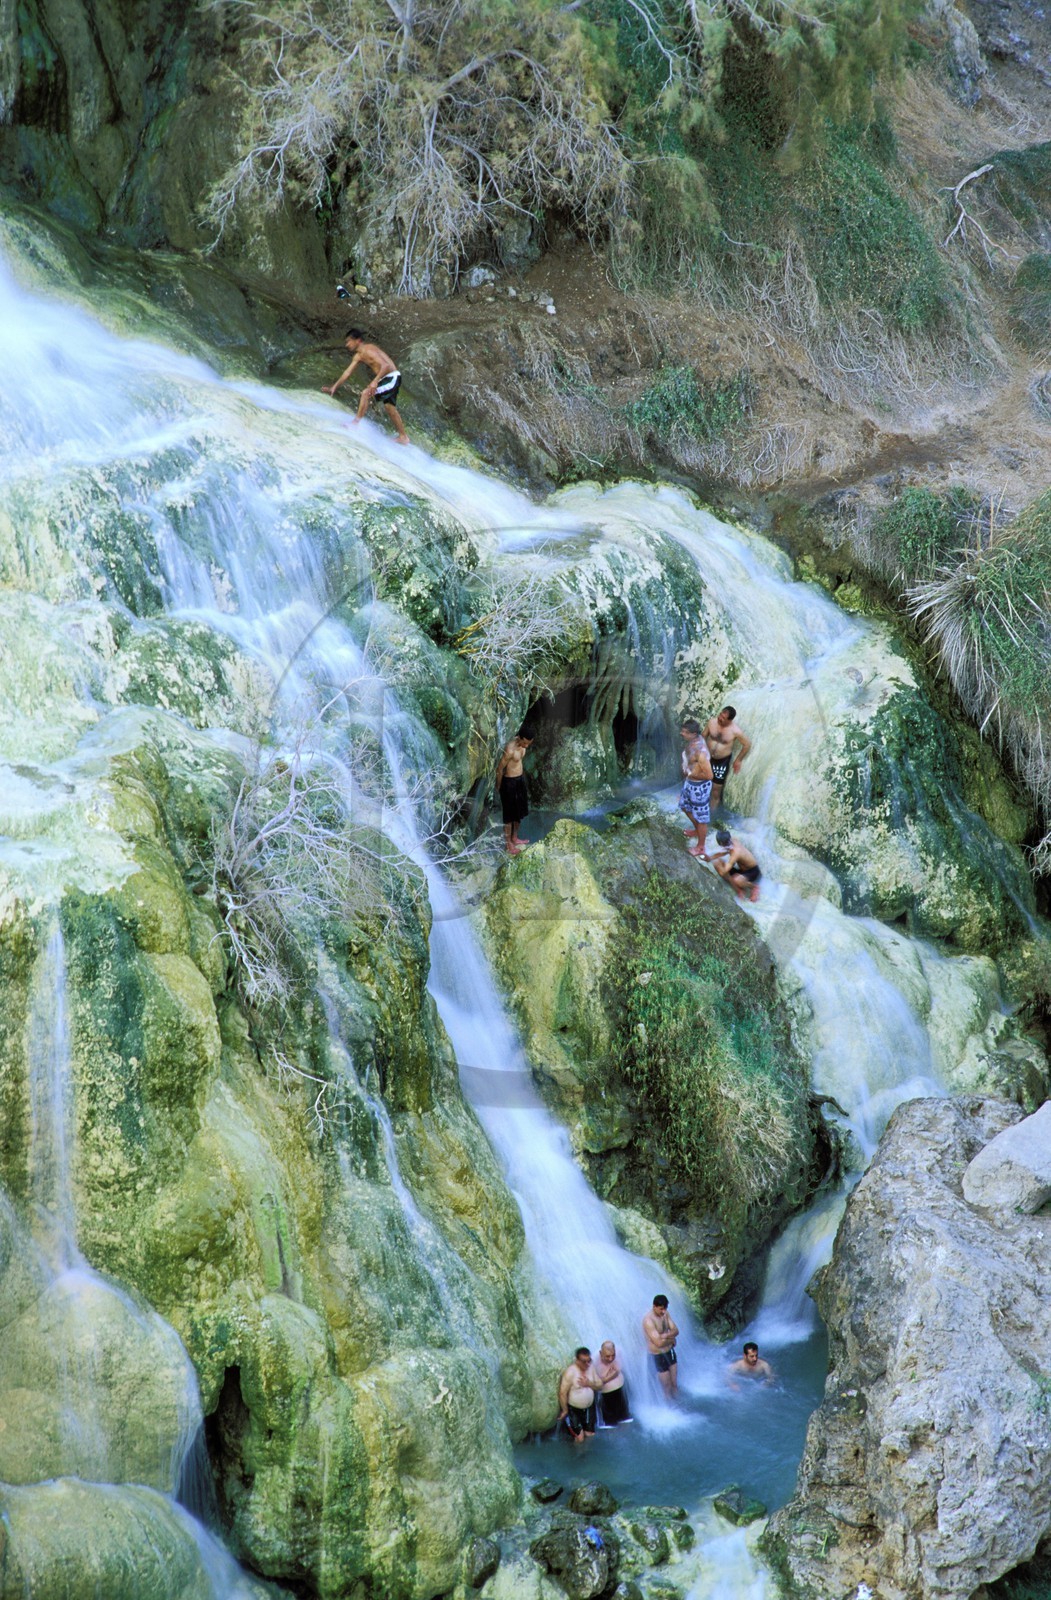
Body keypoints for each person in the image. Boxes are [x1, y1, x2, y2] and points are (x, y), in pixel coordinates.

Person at [322, 329, 409, 443]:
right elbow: (347, 373)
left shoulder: (368, 350)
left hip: (391, 376)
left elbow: (386, 365)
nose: (347, 344)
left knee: (365, 394)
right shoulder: (358, 356)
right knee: (389, 408)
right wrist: (334, 387)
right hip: (387, 378)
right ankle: (403, 437)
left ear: (358, 340)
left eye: (349, 341)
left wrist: (375, 381)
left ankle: (355, 424)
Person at [703, 707, 751, 812]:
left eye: (723, 718)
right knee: (701, 784)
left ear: (730, 720)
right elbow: (703, 736)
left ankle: (711, 816)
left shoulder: (735, 731)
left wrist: (738, 760)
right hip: (707, 757)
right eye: (720, 715)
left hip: (721, 762)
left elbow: (747, 745)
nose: (720, 718)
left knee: (716, 791)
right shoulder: (712, 722)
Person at [494, 727, 534, 854]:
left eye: (529, 743)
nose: (526, 746)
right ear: (519, 738)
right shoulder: (510, 749)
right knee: (509, 817)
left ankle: (515, 838)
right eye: (525, 743)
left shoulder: (523, 746)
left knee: (519, 813)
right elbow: (499, 769)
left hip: (519, 781)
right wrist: (499, 787)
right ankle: (508, 845)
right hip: (509, 783)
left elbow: (519, 761)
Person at [679, 719, 713, 860]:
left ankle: (700, 847)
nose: (681, 733)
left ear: (693, 734)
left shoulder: (701, 752)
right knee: (685, 807)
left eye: (685, 732)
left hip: (699, 788)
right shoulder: (694, 741)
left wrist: (691, 774)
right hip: (690, 783)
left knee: (701, 818)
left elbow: (709, 775)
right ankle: (697, 830)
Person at [709, 828, 762, 903]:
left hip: (753, 871)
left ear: (721, 843)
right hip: (742, 870)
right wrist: (710, 858)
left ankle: (754, 887)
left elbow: (725, 871)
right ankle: (739, 890)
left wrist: (722, 870)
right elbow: (724, 852)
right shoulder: (731, 841)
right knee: (717, 863)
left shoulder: (736, 851)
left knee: (735, 879)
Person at [558, 1347, 599, 1442]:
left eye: (589, 1361)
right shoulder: (570, 1372)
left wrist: (589, 1383)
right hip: (574, 1410)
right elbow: (562, 1393)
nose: (587, 1364)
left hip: (589, 1407)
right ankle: (578, 1456)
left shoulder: (591, 1368)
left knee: (590, 1434)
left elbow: (600, 1385)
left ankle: (588, 1454)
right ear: (577, 1360)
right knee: (579, 1438)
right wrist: (565, 1410)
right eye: (584, 1361)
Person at [642, 1294, 679, 1399]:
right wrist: (671, 1339)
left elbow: (676, 1330)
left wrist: (665, 1335)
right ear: (654, 1306)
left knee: (674, 1384)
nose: (663, 1311)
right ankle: (669, 1409)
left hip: (669, 1352)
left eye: (665, 1309)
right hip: (657, 1356)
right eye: (661, 1309)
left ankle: (680, 1407)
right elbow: (658, 1343)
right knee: (666, 1387)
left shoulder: (665, 1314)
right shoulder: (648, 1321)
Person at [594, 1341, 632, 1425]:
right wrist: (608, 1376)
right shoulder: (594, 1360)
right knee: (610, 1422)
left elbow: (617, 1370)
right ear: (601, 1353)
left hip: (620, 1391)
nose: (611, 1359)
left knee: (624, 1418)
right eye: (607, 1356)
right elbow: (594, 1381)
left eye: (613, 1355)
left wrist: (605, 1379)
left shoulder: (619, 1352)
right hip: (606, 1396)